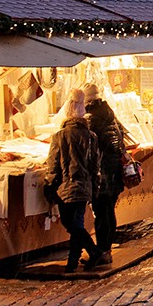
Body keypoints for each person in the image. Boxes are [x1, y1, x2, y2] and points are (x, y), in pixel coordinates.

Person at [45, 111, 105, 272]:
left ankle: (93, 252)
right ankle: (73, 262)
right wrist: (95, 187)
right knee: (76, 223)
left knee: (70, 223)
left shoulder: (60, 136)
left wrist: (49, 183)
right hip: (85, 186)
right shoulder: (91, 136)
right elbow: (95, 165)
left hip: (66, 185)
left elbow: (53, 164)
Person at [84, 85, 125, 264]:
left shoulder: (92, 119)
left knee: (102, 213)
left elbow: (89, 146)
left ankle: (102, 251)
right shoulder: (110, 116)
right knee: (108, 212)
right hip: (114, 172)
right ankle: (105, 249)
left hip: (103, 174)